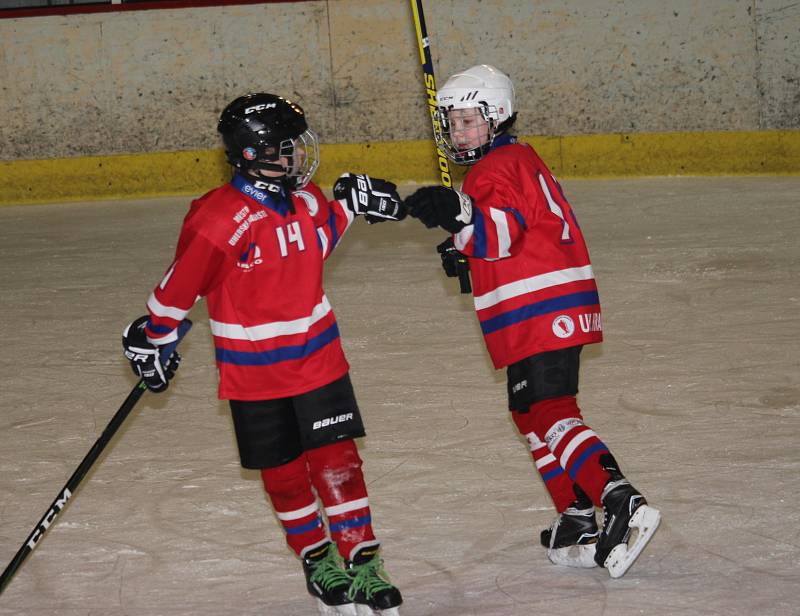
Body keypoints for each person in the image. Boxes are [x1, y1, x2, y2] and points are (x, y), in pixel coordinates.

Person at [121, 93, 405, 615]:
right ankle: (317, 559)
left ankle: (363, 561)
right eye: (288, 146)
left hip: (319, 360)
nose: (299, 154)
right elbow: (180, 286)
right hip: (253, 374)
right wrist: (153, 336)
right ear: (256, 153)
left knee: (338, 461)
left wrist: (350, 204)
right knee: (283, 473)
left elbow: (317, 240)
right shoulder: (219, 219)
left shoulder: (307, 199)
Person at [404, 65, 660, 578]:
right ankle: (576, 515)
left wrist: (458, 214)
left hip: (539, 306)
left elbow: (500, 232)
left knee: (548, 406)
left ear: (496, 117)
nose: (459, 133)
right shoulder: (514, 159)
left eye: (470, 121)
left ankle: (620, 500)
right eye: (452, 123)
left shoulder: (494, 167)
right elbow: (512, 231)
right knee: (528, 410)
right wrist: (464, 241)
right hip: (547, 300)